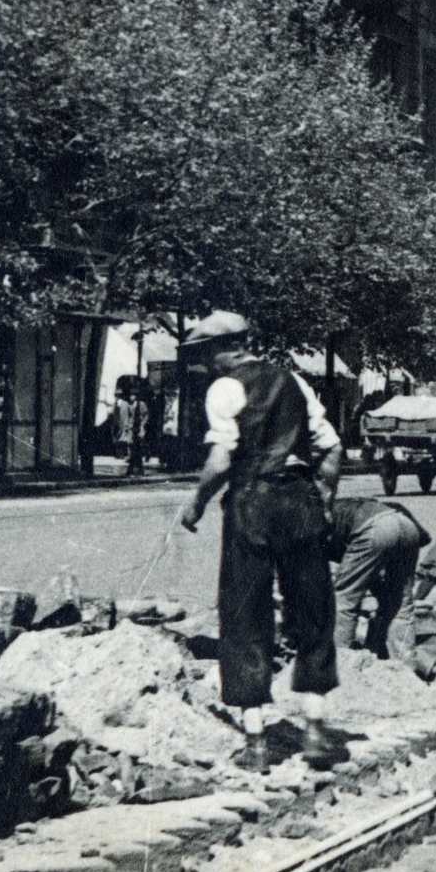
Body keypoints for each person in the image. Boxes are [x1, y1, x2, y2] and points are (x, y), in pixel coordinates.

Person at [177, 312, 348, 775]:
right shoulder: (294, 381)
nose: (205, 363)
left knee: (244, 612)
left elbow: (220, 461)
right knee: (312, 610)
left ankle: (255, 742)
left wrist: (195, 504)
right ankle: (315, 730)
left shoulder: (224, 388)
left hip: (252, 504)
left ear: (224, 348)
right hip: (301, 501)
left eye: (205, 353)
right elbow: (331, 449)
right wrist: (323, 500)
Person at [329, 495, 431, 658]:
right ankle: (405, 663)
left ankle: (338, 663)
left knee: (344, 599)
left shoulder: (309, 526)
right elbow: (424, 538)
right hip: (407, 526)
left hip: (375, 530)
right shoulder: (346, 506)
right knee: (400, 602)